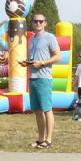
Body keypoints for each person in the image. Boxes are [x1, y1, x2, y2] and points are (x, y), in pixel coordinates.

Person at [26, 14, 62, 148]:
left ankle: (49, 140)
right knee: (37, 110)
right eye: (35, 21)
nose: (38, 24)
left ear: (45, 23)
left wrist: (41, 63)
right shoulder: (32, 39)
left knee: (47, 109)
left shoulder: (49, 37)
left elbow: (58, 56)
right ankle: (40, 139)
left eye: (40, 21)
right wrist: (27, 63)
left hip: (44, 78)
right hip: (33, 77)